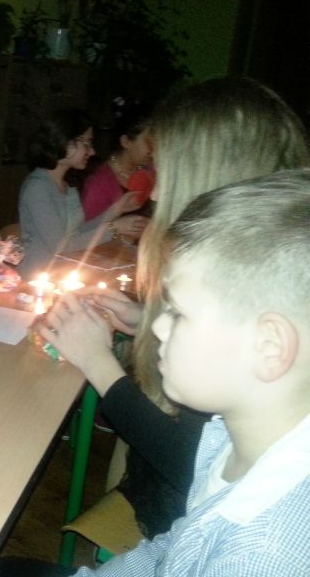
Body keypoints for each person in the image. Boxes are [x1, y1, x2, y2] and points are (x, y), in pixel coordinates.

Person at [0, 170, 310, 576]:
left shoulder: (262, 557)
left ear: (270, 347)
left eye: (178, 313)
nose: (157, 327)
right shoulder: (231, 440)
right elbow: (174, 549)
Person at [43, 77, 310, 538]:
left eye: (163, 174)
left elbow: (204, 466)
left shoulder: (255, 289)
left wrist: (97, 363)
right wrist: (143, 321)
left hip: (181, 526)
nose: (155, 194)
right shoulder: (268, 268)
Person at [16, 108, 147, 281]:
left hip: (61, 274)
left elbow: (76, 233)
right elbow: (60, 245)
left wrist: (117, 209)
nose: (92, 152)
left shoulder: (66, 185)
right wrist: (114, 228)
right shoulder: (38, 187)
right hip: (37, 278)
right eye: (87, 143)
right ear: (66, 143)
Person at [80, 103, 154, 221]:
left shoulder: (151, 169)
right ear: (126, 142)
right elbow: (86, 230)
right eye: (149, 142)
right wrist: (116, 228)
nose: (155, 149)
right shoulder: (99, 184)